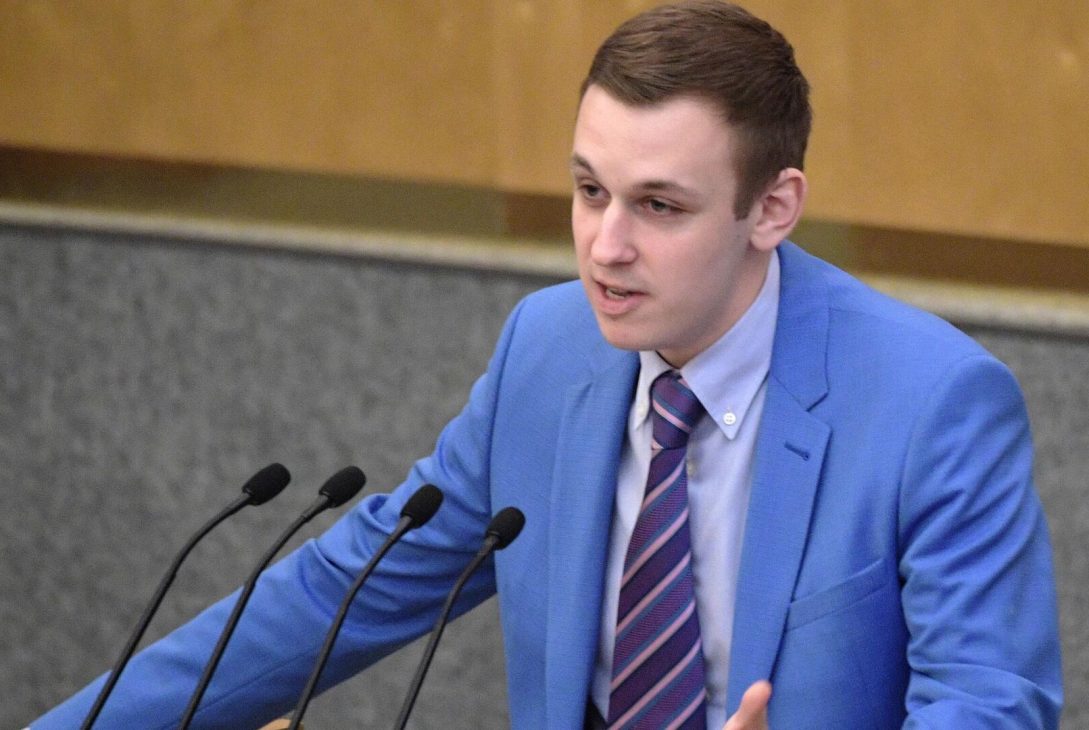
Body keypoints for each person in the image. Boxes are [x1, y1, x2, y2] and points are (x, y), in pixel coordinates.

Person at [34, 1, 1062, 728]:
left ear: (772, 208)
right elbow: (342, 592)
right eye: (588, 190)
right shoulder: (548, 348)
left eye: (658, 205)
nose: (605, 247)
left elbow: (991, 703)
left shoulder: (932, 403)